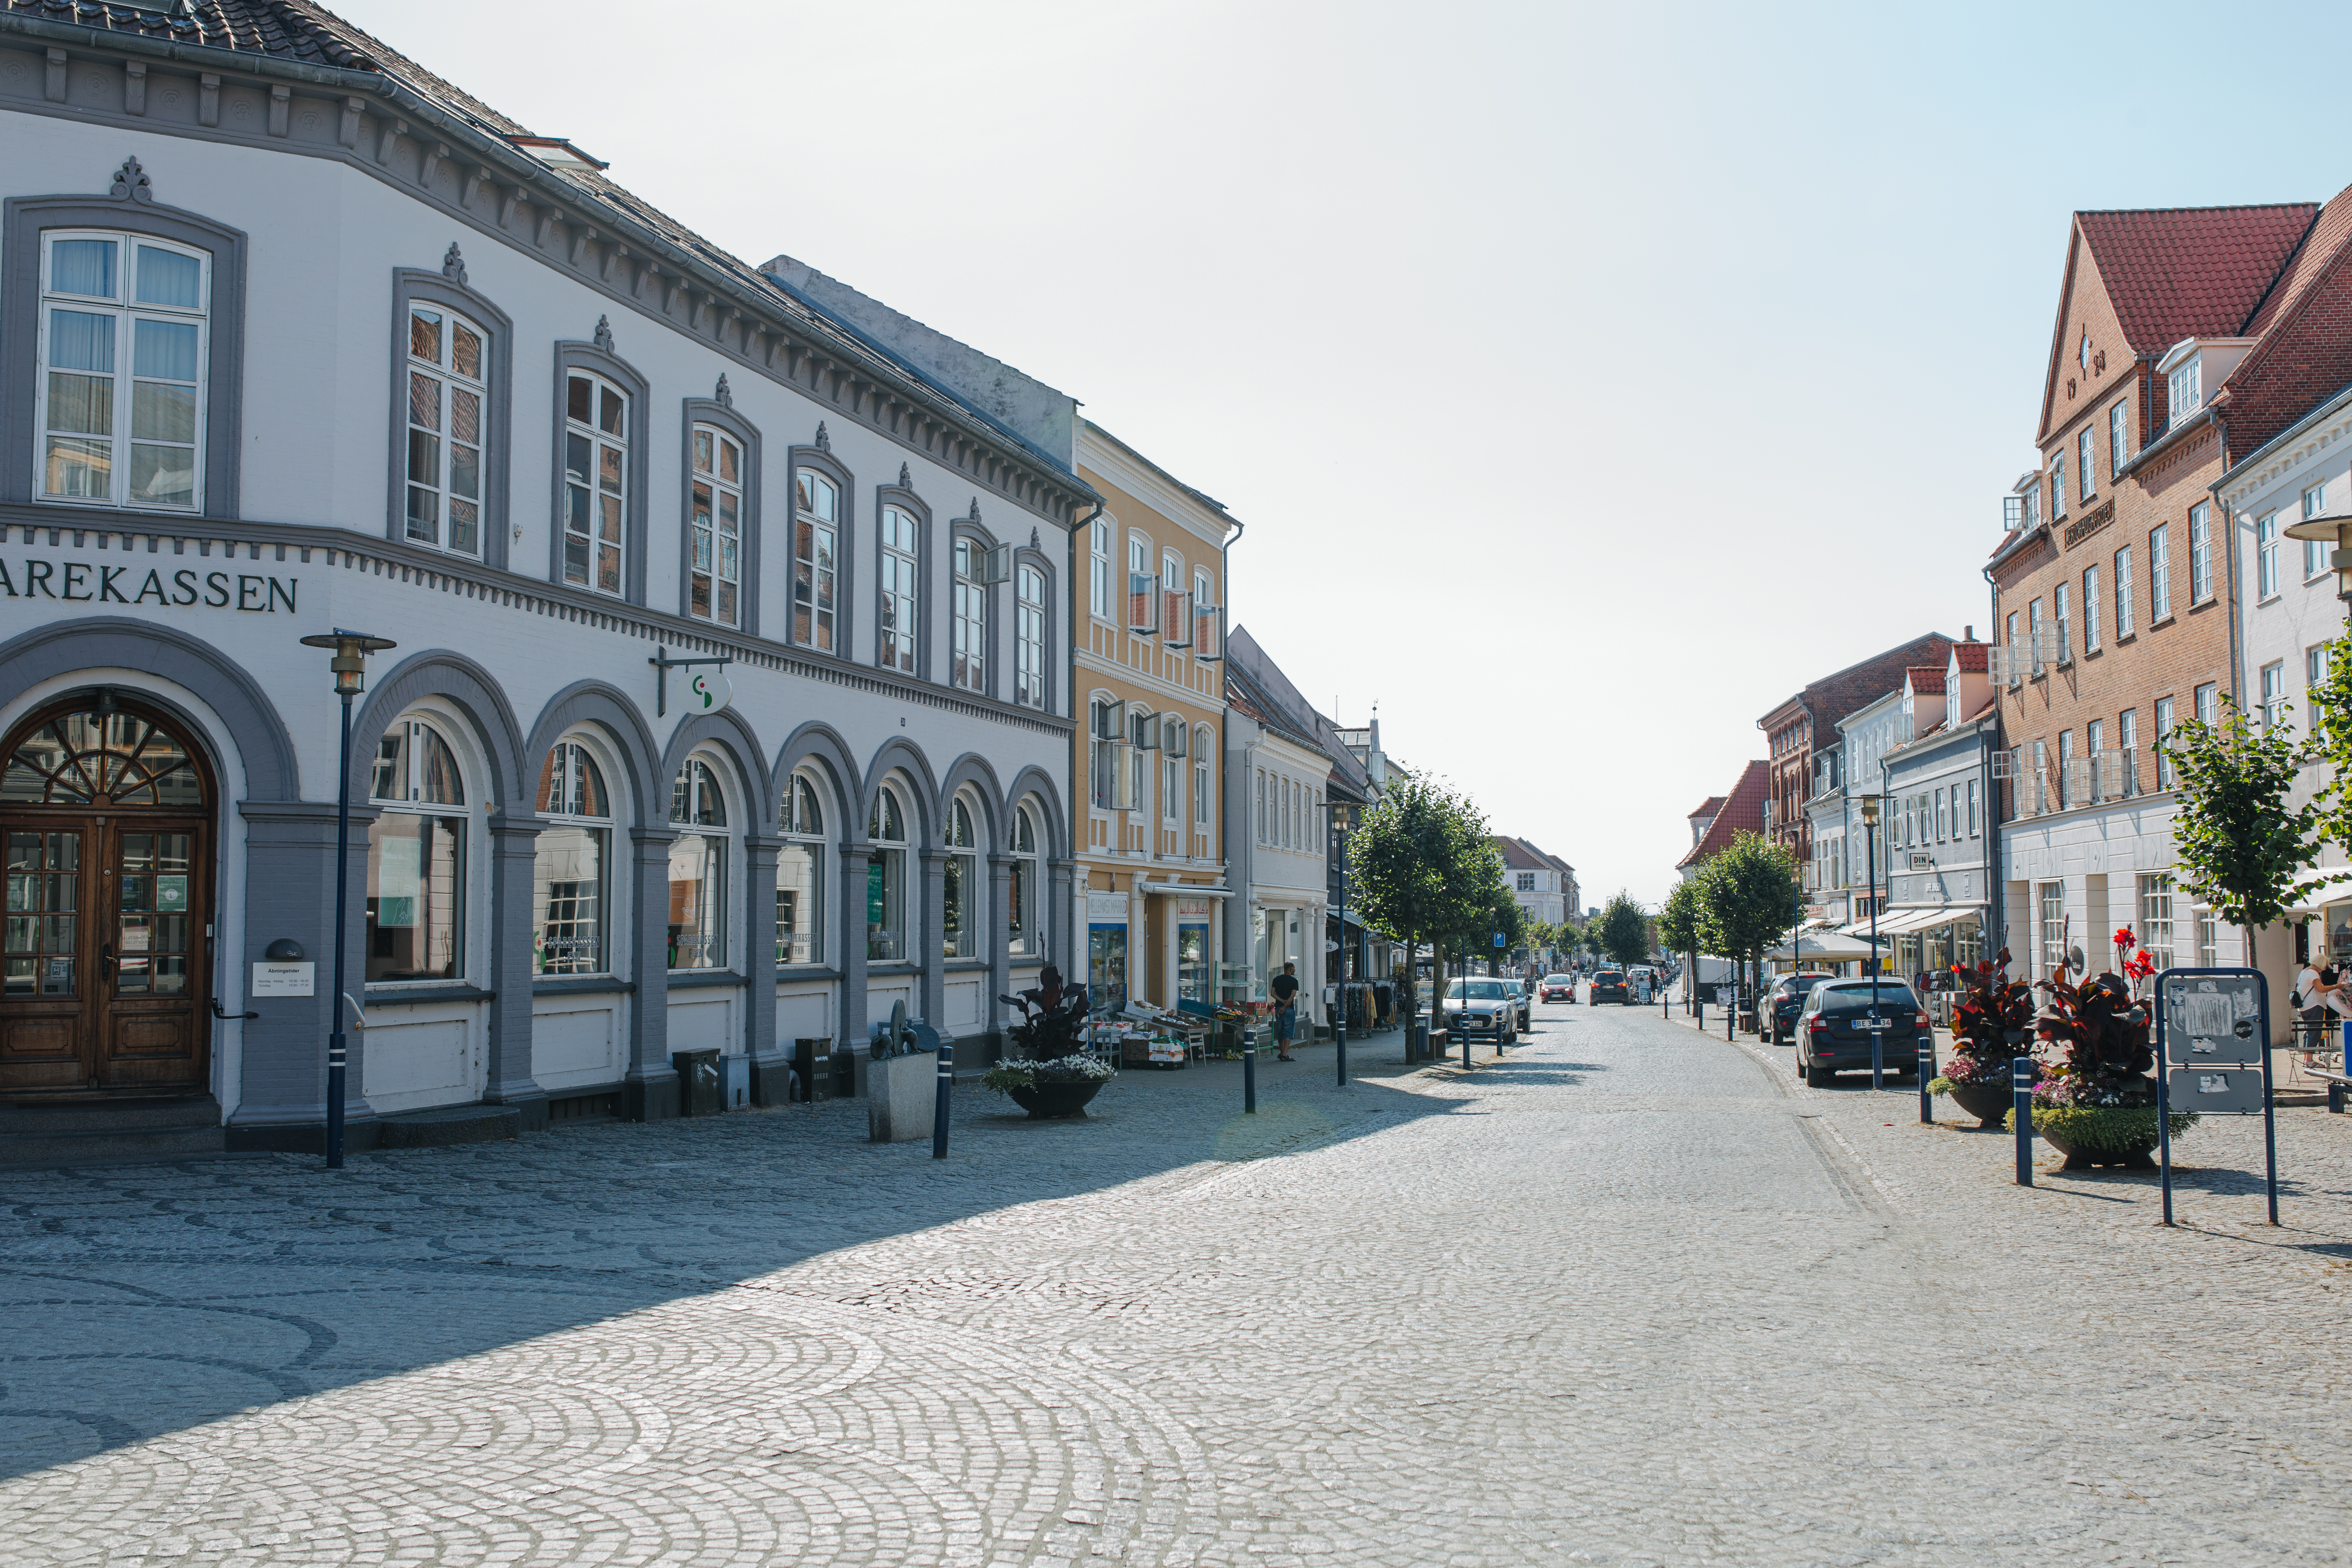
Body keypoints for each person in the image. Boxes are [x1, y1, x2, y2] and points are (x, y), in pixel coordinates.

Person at [1271, 961, 1300, 1061]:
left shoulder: (1276, 979)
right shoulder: (1294, 981)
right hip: (1289, 1009)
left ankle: (1282, 1052)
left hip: (1278, 1009)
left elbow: (1273, 994)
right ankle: (1285, 1054)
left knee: (1280, 1031)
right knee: (1288, 1030)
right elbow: (1292, 996)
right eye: (1294, 968)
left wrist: (1281, 1002)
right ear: (1291, 970)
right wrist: (1286, 1005)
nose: (1295, 970)